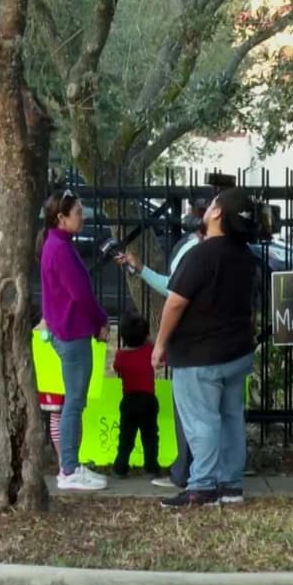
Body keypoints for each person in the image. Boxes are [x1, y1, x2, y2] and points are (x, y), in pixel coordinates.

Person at [152, 188, 259, 508]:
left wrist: (159, 345)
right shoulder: (247, 257)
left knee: (202, 422)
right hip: (237, 352)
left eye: (212, 204)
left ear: (216, 214)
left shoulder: (201, 254)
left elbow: (175, 303)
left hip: (199, 355)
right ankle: (231, 485)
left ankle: (202, 486)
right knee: (230, 418)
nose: (208, 207)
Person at [115, 200, 206, 490]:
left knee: (189, 411)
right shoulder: (193, 246)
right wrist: (140, 269)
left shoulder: (197, 250)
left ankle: (187, 471)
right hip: (201, 343)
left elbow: (174, 295)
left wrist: (162, 342)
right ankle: (202, 470)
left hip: (192, 343)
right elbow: (172, 287)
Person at [40, 189, 110, 491]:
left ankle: (71, 464)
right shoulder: (60, 248)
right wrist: (100, 320)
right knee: (74, 402)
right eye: (78, 212)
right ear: (62, 217)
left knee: (73, 401)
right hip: (72, 331)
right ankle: (69, 468)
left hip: (66, 329)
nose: (82, 217)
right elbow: (80, 293)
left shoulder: (57, 244)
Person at [111, 314, 160, 478]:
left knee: (126, 437)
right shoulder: (149, 351)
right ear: (146, 336)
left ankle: (120, 467)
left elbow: (117, 368)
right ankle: (151, 467)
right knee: (150, 436)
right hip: (148, 399)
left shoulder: (120, 355)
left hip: (129, 400)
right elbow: (161, 359)